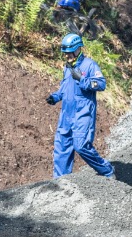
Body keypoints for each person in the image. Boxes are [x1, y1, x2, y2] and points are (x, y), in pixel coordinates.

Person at [47, 33, 115, 179]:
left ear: (78, 49)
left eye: (69, 53)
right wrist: (56, 96)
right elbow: (65, 88)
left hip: (83, 113)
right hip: (66, 114)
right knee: (61, 148)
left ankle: (107, 170)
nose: (67, 56)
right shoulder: (67, 68)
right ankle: (60, 182)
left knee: (81, 145)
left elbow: (101, 84)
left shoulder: (90, 65)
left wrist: (82, 79)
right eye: (64, 54)